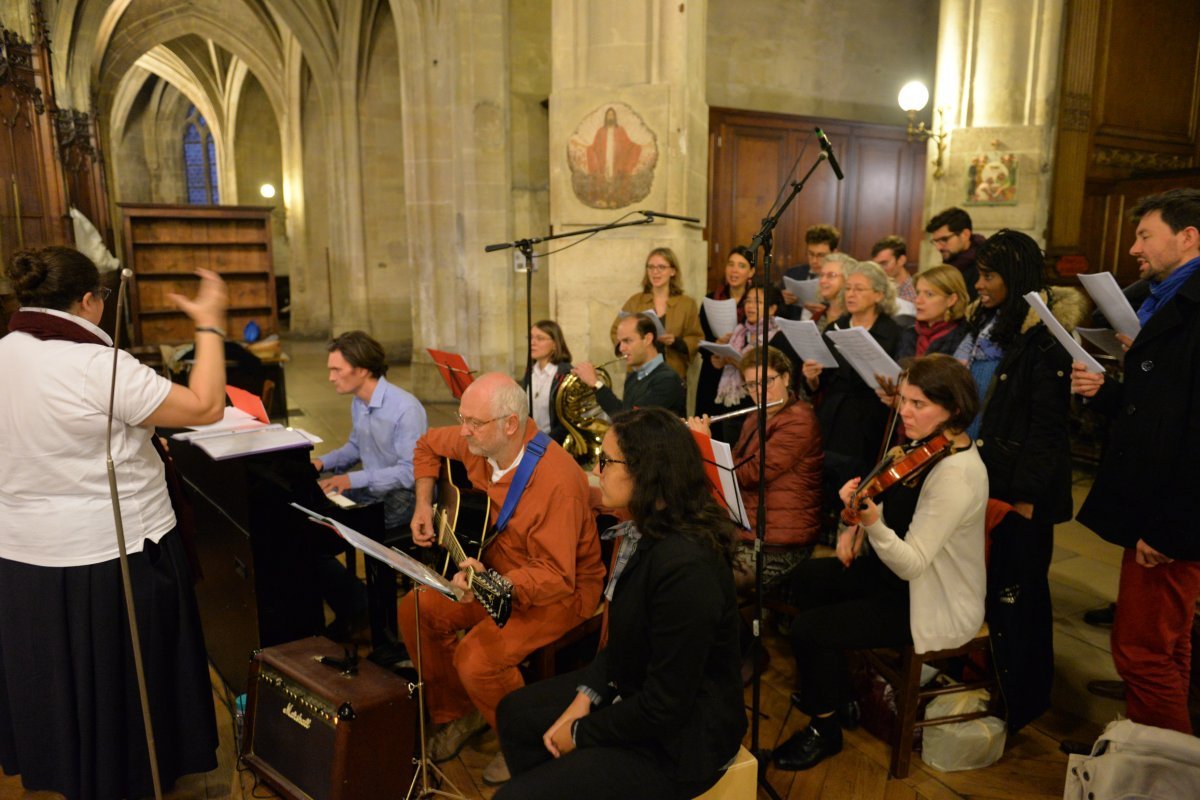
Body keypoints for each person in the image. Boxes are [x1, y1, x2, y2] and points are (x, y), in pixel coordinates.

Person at [0, 247, 224, 798]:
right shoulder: (95, 365)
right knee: (128, 678)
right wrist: (210, 324)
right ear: (89, 301)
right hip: (113, 551)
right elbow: (204, 407)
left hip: (25, 555)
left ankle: (72, 772)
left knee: (58, 678)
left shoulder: (6, 352)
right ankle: (130, 779)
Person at [494, 407, 746, 799]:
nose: (598, 470)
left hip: (682, 743)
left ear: (648, 471)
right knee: (515, 715)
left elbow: (665, 707)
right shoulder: (650, 528)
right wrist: (585, 697)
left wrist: (580, 732)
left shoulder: (687, 567)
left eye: (608, 461)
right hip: (640, 690)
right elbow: (625, 637)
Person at [774, 354, 987, 771]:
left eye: (919, 404)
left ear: (954, 411)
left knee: (810, 630)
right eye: (903, 399)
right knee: (806, 579)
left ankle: (825, 729)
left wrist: (870, 522)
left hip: (930, 599)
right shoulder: (923, 450)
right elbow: (889, 508)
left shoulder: (955, 475)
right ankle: (838, 694)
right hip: (898, 578)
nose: (904, 411)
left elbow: (913, 563)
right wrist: (854, 524)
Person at [398, 373, 606, 784]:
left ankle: (522, 742)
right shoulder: (478, 443)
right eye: (463, 418)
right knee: (415, 609)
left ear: (510, 424)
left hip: (559, 592)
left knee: (477, 658)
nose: (464, 431)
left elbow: (556, 576)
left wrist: (493, 584)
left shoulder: (556, 481)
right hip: (493, 570)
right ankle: (462, 714)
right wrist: (423, 504)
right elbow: (425, 446)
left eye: (474, 423)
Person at [1071, 188, 1200, 735]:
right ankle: (1170, 752)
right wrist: (1105, 393)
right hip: (1156, 500)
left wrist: (1172, 526)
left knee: (1142, 652)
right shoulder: (1168, 298)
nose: (1133, 247)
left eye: (1146, 235)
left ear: (1189, 237)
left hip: (1170, 514)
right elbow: (1160, 405)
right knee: (1167, 646)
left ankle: (1161, 776)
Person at [953, 229, 1086, 723]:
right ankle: (977, 678)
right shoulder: (985, 321)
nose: (979, 284)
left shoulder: (1046, 334)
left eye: (988, 276)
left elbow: (1048, 429)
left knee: (1020, 593)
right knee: (982, 584)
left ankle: (1021, 699)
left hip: (1017, 484)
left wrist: (1026, 497)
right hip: (978, 472)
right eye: (979, 274)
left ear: (1015, 277)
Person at [311, 330, 427, 654]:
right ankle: (356, 607)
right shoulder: (359, 403)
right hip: (373, 490)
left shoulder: (405, 408)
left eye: (336, 369)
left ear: (361, 370)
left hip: (405, 496)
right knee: (308, 536)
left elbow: (410, 471)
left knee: (343, 531)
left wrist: (352, 481)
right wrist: (322, 463)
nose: (331, 377)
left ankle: (379, 628)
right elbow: (354, 447)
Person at [689, 345, 822, 591]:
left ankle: (735, 630)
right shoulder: (756, 417)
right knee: (678, 562)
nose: (760, 393)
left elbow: (748, 475)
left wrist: (704, 444)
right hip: (747, 531)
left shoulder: (799, 422)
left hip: (778, 545)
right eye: (751, 386)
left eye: (767, 382)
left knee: (704, 583)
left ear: (785, 378)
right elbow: (736, 466)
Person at [802, 258, 902, 519]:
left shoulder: (893, 332)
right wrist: (811, 378)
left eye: (859, 289)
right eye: (848, 288)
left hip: (868, 418)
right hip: (832, 414)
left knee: (856, 479)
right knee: (825, 474)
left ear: (879, 294)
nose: (851, 294)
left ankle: (850, 530)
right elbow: (820, 383)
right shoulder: (838, 326)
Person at [612, 247, 702, 380]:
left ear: (673, 271)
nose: (655, 272)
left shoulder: (686, 304)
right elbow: (616, 331)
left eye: (661, 267)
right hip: (639, 374)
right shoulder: (635, 301)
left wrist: (676, 342)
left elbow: (696, 338)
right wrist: (631, 344)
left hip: (673, 374)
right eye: (651, 267)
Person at [578, 313, 685, 417]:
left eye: (627, 341)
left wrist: (596, 384)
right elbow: (625, 412)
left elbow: (631, 421)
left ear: (647, 339)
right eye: (620, 342)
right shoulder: (633, 377)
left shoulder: (666, 379)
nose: (621, 348)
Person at [696, 246, 756, 420]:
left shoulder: (755, 302)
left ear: (751, 272)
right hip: (713, 370)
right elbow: (700, 338)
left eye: (741, 266)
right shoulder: (711, 298)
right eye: (731, 264)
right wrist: (714, 348)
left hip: (742, 375)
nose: (734, 270)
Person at [521, 319, 574, 443]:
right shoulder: (530, 372)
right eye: (531, 337)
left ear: (555, 344)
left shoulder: (565, 373)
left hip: (556, 444)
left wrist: (544, 442)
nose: (532, 343)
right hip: (530, 441)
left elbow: (568, 421)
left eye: (540, 338)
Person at [781, 224, 840, 317]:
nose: (814, 261)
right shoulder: (793, 274)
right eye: (810, 254)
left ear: (834, 253)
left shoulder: (841, 279)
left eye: (821, 255)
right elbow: (780, 313)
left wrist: (824, 311)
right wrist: (782, 300)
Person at [926, 207, 985, 299]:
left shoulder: (984, 265)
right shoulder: (950, 265)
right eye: (936, 241)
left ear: (965, 234)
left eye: (944, 239)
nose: (938, 247)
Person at [871, 235, 916, 303]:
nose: (879, 269)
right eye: (876, 265)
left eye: (884, 263)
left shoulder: (913, 293)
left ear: (901, 260)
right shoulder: (877, 288)